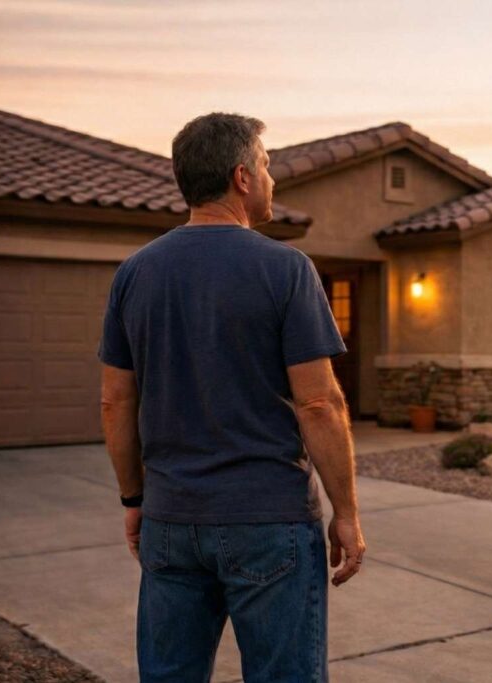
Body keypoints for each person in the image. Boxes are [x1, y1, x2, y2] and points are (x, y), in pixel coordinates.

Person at [98, 112, 364, 682]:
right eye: (267, 167)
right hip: (269, 521)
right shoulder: (286, 269)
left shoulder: (135, 274)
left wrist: (132, 500)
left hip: (170, 519)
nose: (273, 180)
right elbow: (320, 404)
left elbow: (116, 404)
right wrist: (346, 513)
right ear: (242, 177)